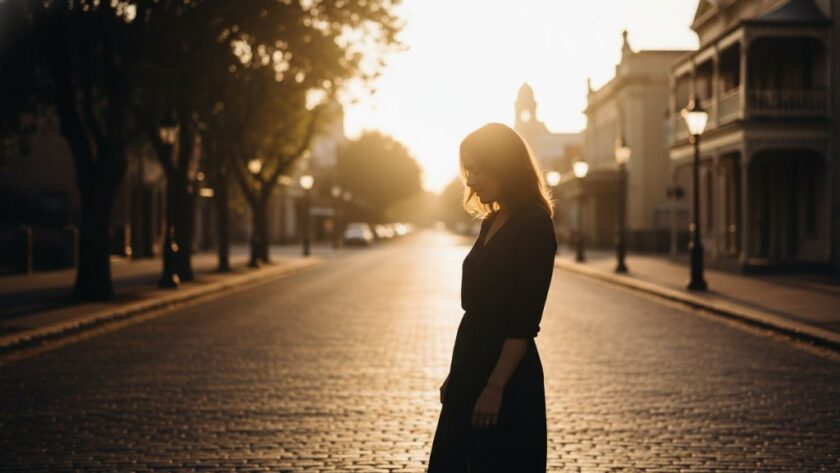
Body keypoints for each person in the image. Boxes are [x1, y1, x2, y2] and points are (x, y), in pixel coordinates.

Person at [428, 123, 557, 472]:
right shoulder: (492, 221)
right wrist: (458, 374)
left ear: (504, 166)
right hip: (470, 365)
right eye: (468, 171)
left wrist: (495, 387)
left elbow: (523, 322)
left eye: (477, 170)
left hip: (506, 377)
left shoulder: (534, 225)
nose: (470, 181)